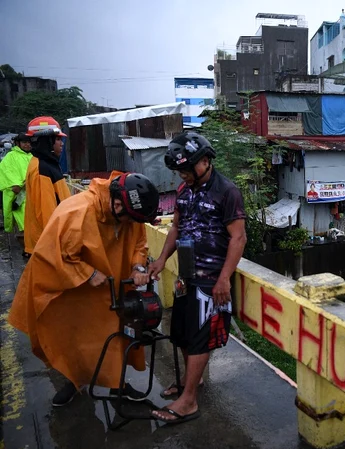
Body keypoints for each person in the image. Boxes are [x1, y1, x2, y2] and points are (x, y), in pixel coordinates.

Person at [8, 172, 160, 407]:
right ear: (117, 203)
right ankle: (73, 380)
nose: (130, 223)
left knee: (118, 333)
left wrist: (138, 267)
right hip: (74, 289)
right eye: (128, 218)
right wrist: (86, 273)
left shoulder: (128, 212)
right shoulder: (76, 211)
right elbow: (50, 255)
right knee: (73, 336)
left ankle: (116, 385)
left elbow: (139, 242)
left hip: (112, 287)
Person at [148, 132, 246, 424]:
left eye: (188, 170)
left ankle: (188, 400)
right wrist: (162, 260)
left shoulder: (227, 191)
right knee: (181, 333)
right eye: (181, 172)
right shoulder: (183, 191)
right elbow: (176, 229)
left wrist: (224, 279)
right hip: (186, 276)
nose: (184, 175)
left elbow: (238, 238)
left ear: (205, 161)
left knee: (201, 338)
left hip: (211, 280)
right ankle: (194, 382)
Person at [23, 116, 71, 257]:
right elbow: (47, 214)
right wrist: (59, 247)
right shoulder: (41, 169)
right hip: (49, 246)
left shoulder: (47, 164)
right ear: (46, 141)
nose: (61, 143)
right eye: (57, 139)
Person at [0, 133, 32, 249]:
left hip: (30, 193)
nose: (27, 145)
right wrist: (16, 184)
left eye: (29, 142)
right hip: (18, 194)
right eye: (24, 142)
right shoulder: (11, 156)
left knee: (29, 221)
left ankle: (29, 246)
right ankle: (26, 246)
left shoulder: (31, 156)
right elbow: (6, 171)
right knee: (23, 221)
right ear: (18, 144)